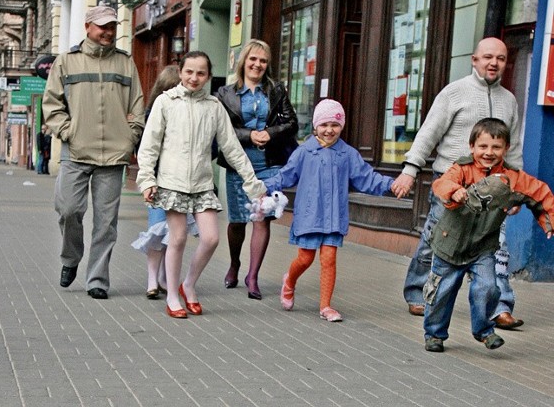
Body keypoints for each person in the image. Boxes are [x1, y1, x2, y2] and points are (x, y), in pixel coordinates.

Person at [393, 37, 525, 329]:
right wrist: (410, 170)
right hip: (452, 183)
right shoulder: (454, 93)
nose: (494, 63)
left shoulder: (509, 100)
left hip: (494, 189)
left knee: (496, 247)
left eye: (500, 58)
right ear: (475, 60)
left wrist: (516, 191)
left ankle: (499, 307)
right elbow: (428, 133)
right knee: (435, 242)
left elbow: (513, 148)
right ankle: (417, 293)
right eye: (488, 57)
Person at [136, 51, 266, 319]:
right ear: (180, 71)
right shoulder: (165, 102)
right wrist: (147, 179)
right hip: (172, 183)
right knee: (179, 238)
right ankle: (172, 295)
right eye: (189, 72)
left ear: (208, 76)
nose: (194, 78)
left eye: (201, 73)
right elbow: (149, 146)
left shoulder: (214, 106)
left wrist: (252, 183)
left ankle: (188, 284)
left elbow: (231, 148)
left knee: (211, 238)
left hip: (203, 184)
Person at [423, 118, 554, 352]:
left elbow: (540, 194)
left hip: (483, 248)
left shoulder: (513, 178)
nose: (489, 152)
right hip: (448, 246)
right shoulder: (461, 169)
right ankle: (434, 334)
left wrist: (549, 221)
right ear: (472, 146)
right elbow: (441, 184)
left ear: (507, 149)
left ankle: (484, 331)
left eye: (496, 147)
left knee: (488, 288)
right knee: (441, 293)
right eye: (483, 146)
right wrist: (455, 192)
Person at [42, 4, 145, 300]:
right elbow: (51, 105)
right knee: (68, 210)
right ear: (88, 27)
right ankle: (70, 258)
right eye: (102, 26)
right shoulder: (66, 62)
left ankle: (98, 278)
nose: (108, 32)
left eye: (112, 26)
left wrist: (131, 136)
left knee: (106, 222)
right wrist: (68, 132)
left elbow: (137, 105)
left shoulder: (125, 63)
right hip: (76, 151)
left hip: (113, 155)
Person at [265, 99, 397, 322]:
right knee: (305, 259)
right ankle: (290, 280)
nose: (329, 130)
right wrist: (263, 186)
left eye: (334, 125)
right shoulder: (304, 151)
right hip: (309, 215)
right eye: (324, 125)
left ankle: (326, 306)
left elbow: (366, 178)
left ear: (341, 126)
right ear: (315, 126)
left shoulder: (347, 154)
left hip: (334, 216)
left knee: (329, 258)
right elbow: (286, 175)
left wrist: (390, 185)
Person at [216, 39, 298, 300]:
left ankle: (253, 276)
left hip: (270, 165)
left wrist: (269, 133)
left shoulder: (276, 90)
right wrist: (250, 135)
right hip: (239, 166)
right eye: (253, 59)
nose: (258, 64)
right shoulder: (225, 94)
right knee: (238, 221)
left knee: (261, 218)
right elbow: (222, 129)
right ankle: (234, 264)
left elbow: (292, 123)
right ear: (244, 61)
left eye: (263, 60)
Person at [131, 65, 181, 299]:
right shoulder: (153, 112)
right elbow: (142, 147)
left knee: (173, 233)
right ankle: (153, 279)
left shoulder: (189, 111)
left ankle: (162, 277)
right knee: (156, 230)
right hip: (158, 180)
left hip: (182, 182)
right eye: (171, 88)